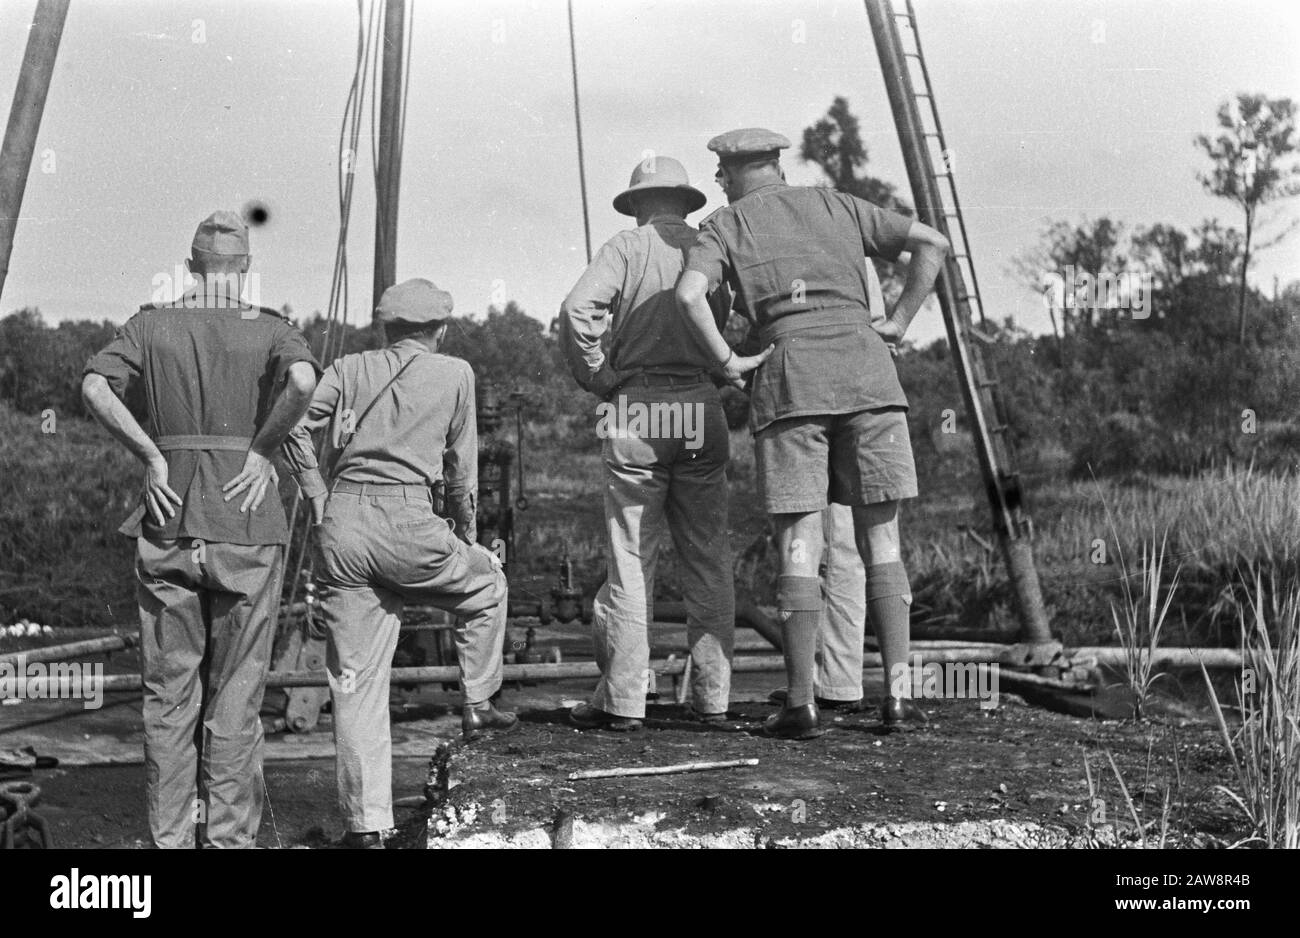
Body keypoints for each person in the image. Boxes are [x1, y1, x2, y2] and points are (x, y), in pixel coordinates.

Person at [676, 128, 949, 740]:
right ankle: (897, 701)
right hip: (868, 375)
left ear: (735, 172)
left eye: (721, 172)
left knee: (800, 544)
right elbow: (933, 242)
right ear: (776, 165)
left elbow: (690, 293)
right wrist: (899, 321)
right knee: (884, 543)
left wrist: (725, 361)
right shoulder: (839, 204)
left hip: (792, 381)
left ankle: (801, 705)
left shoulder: (723, 226)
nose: (719, 182)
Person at [82, 210, 320, 847]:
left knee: (169, 701)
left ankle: (168, 843)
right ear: (243, 269)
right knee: (236, 701)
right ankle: (229, 844)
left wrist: (152, 456)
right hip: (245, 521)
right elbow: (302, 379)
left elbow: (96, 387)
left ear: (191, 267)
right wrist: (263, 451)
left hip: (168, 520)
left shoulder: (149, 324)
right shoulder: (270, 329)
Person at [281, 277, 513, 849]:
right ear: (439, 328)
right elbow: (462, 472)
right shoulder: (456, 373)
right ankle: (479, 703)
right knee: (488, 588)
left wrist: (315, 492)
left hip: (344, 522)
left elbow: (292, 425)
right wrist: (470, 537)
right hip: (411, 522)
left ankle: (366, 830)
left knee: (356, 683)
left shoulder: (347, 369)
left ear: (386, 326)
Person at [558, 155, 766, 731]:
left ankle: (624, 700)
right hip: (701, 402)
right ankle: (713, 698)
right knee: (707, 555)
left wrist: (597, 375)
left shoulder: (626, 248)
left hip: (638, 406)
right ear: (685, 199)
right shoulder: (709, 245)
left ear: (637, 203)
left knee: (631, 557)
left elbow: (579, 310)